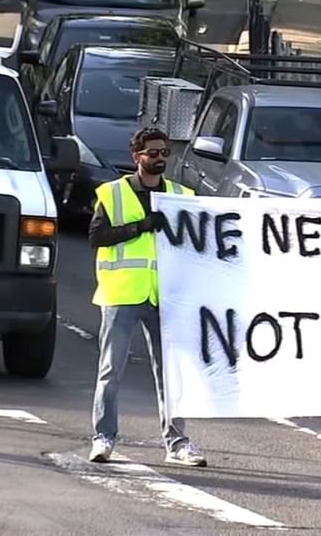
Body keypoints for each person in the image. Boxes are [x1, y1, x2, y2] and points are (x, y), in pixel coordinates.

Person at [87, 126, 207, 467]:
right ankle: (104, 438)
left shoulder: (181, 195)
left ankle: (177, 442)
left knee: (170, 372)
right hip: (122, 292)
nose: (159, 159)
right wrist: (140, 225)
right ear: (136, 156)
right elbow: (97, 237)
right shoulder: (113, 193)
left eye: (164, 153)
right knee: (111, 371)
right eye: (152, 153)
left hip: (165, 296)